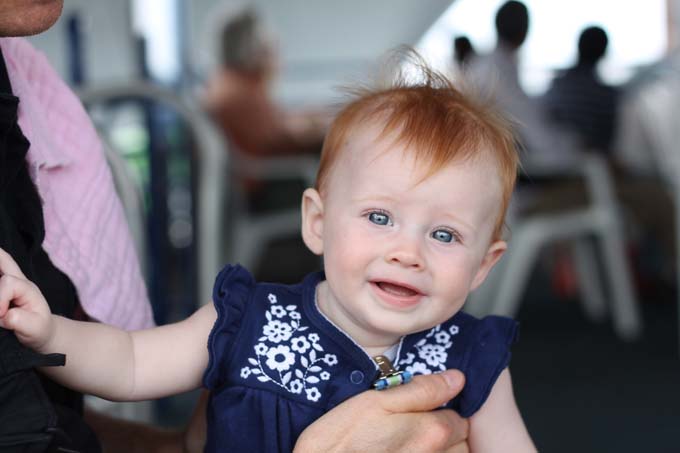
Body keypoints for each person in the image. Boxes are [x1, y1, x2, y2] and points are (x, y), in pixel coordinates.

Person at [0, 53, 535, 452]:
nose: (408, 252)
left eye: (444, 235)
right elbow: (132, 362)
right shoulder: (250, 320)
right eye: (379, 218)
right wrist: (50, 332)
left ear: (485, 264)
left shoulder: (472, 358)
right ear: (318, 224)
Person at [202, 5, 328, 158]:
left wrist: (303, 122)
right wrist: (316, 132)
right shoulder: (239, 92)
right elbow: (275, 143)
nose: (276, 56)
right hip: (272, 173)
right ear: (253, 50)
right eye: (270, 48)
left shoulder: (232, 83)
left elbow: (270, 129)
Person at [467, 0, 577, 165]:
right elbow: (532, 130)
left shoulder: (481, 63)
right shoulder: (499, 70)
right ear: (524, 30)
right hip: (503, 160)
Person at [543, 26, 619, 154]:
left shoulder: (558, 85)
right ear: (603, 52)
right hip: (586, 161)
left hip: (553, 157)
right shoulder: (605, 95)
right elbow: (606, 140)